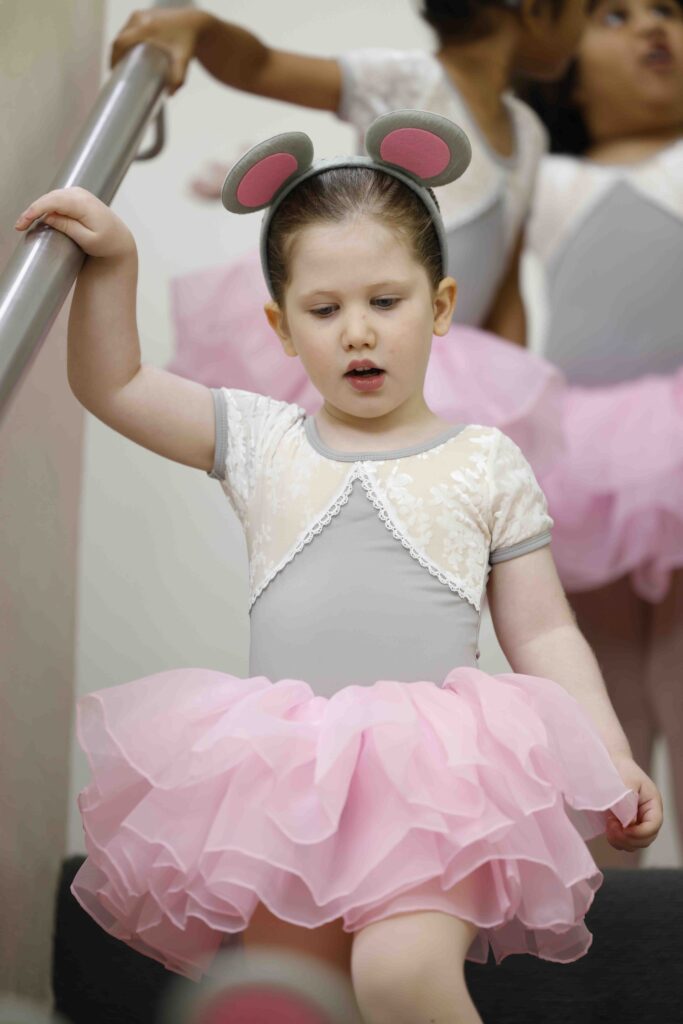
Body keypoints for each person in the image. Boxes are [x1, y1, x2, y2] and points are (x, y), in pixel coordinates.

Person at [16, 110, 660, 1024]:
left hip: (437, 785)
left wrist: (608, 750)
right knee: (298, 1001)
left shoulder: (483, 460)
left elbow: (546, 629)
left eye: (385, 302)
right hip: (292, 785)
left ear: (439, 307)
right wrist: (115, 260)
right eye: (324, 311)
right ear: (282, 327)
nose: (357, 332)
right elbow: (113, 385)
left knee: (400, 978)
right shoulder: (261, 440)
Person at [107, 0, 590, 471]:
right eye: (584, 7)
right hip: (368, 332)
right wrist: (201, 28)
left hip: (449, 365)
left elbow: (505, 286)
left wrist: (512, 392)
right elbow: (261, 65)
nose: (585, 27)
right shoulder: (409, 81)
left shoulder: (528, 133)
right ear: (535, 9)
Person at [521, 0, 683, 866]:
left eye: (669, 11)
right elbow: (453, 217)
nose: (654, 27)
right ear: (564, 68)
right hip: (580, 450)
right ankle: (608, 895)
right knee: (596, 678)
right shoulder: (543, 177)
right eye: (616, 15)